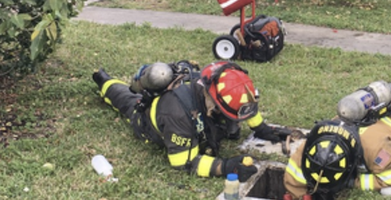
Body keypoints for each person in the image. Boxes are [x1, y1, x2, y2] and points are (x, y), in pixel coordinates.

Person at [92, 60, 289, 182]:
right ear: (213, 104)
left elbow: (241, 102)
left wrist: (263, 129)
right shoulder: (177, 114)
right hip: (148, 121)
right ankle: (102, 80)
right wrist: (225, 167)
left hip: (198, 112)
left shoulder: (221, 82)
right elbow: (183, 162)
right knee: (125, 99)